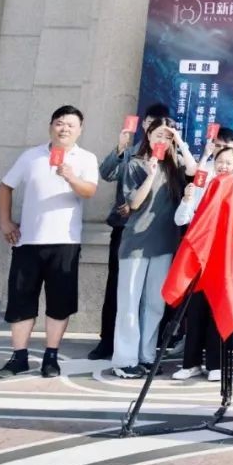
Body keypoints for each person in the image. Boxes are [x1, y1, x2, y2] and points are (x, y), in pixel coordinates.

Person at [0, 106, 99, 379]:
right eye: (60, 123)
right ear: (51, 125)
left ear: (80, 130)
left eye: (70, 125)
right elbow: (6, 186)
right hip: (28, 241)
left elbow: (89, 191)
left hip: (65, 242)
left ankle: (51, 357)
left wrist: (71, 176)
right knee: (21, 300)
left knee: (59, 302)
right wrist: (5, 221)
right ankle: (18, 357)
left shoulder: (86, 158)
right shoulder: (31, 156)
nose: (64, 129)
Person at [112, 117, 196, 379]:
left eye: (167, 137)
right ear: (148, 135)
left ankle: (146, 356)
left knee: (155, 304)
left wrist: (179, 140)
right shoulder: (135, 164)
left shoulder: (175, 165)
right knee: (129, 302)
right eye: (158, 134)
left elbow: (194, 170)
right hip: (135, 244)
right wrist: (150, 174)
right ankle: (125, 360)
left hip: (164, 243)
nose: (163, 140)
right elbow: (134, 204)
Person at [90, 102, 170, 361]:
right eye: (150, 124)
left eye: (162, 128)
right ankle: (109, 343)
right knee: (120, 289)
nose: (156, 131)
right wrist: (120, 148)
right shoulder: (132, 154)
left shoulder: (171, 159)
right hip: (126, 229)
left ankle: (145, 352)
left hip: (159, 235)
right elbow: (106, 173)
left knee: (152, 298)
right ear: (144, 125)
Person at [172, 147, 233, 382]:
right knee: (195, 311)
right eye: (220, 161)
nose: (223, 166)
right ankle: (191, 363)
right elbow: (181, 219)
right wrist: (187, 199)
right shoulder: (203, 183)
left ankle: (216, 363)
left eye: (228, 162)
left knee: (218, 310)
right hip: (199, 257)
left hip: (223, 259)